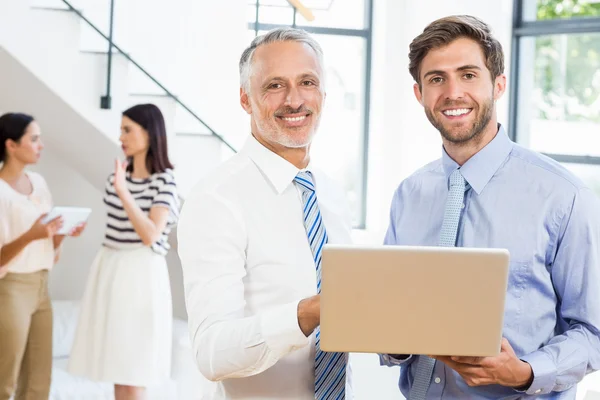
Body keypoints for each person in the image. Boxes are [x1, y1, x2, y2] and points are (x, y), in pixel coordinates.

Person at [380, 15, 600, 399]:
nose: (452, 93)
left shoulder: (563, 196)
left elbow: (593, 332)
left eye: (468, 75)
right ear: (419, 94)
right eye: (437, 79)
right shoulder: (409, 194)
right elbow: (391, 312)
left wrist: (526, 372)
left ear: (498, 85)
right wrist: (395, 341)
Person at [178, 27, 353, 399]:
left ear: (323, 94)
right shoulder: (216, 199)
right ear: (246, 99)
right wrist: (307, 313)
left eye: (307, 82)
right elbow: (211, 353)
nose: (294, 100)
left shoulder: (331, 194)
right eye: (275, 85)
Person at [68, 104, 180, 400]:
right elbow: (119, 227)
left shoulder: (165, 181)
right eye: (121, 130)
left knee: (134, 370)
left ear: (149, 133)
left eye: (127, 130)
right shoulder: (117, 178)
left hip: (141, 275)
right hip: (110, 267)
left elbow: (150, 234)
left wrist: (123, 191)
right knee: (117, 370)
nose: (121, 137)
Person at [0, 112, 86, 400]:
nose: (41, 145)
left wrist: (62, 232)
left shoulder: (38, 181)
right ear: (11, 145)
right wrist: (31, 235)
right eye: (34, 139)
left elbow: (48, 245)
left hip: (41, 285)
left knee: (39, 380)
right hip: (10, 288)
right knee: (5, 378)